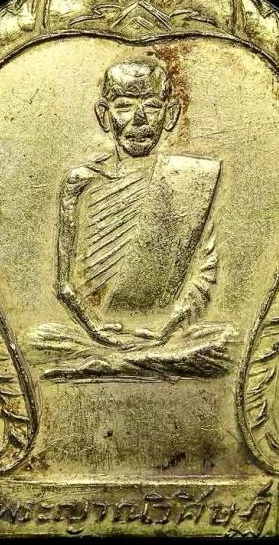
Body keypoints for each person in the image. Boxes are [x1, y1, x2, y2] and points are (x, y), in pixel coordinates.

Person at [55, 59, 220, 348]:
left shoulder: (192, 179)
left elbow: (207, 268)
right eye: (124, 106)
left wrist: (168, 327)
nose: (140, 118)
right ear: (104, 115)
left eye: (152, 106)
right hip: (87, 337)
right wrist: (92, 327)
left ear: (170, 114)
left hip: (164, 337)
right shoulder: (81, 182)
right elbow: (64, 286)